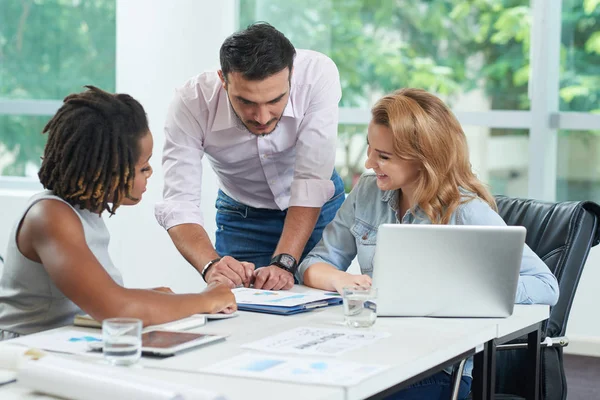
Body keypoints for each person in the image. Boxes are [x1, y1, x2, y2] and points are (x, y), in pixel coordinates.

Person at [296, 88, 560, 399]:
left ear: (423, 159)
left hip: (439, 370)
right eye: (370, 149)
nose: (369, 163)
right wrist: (344, 281)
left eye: (383, 157)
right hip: (370, 354)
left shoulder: (466, 210)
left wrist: (466, 289)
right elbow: (313, 265)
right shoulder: (366, 193)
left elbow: (546, 285)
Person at [0, 86, 236, 341]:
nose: (150, 173)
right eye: (143, 167)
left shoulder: (81, 213)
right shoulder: (50, 216)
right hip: (25, 353)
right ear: (108, 171)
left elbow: (94, 302)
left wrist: (147, 299)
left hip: (64, 344)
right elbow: (116, 309)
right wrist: (205, 300)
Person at [155, 22, 345, 291]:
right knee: (240, 312)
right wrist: (211, 265)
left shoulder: (317, 74)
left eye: (275, 100)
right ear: (223, 80)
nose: (262, 117)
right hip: (242, 218)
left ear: (291, 75)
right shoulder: (191, 103)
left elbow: (311, 180)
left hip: (317, 209)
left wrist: (284, 263)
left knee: (322, 309)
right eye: (246, 102)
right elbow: (179, 202)